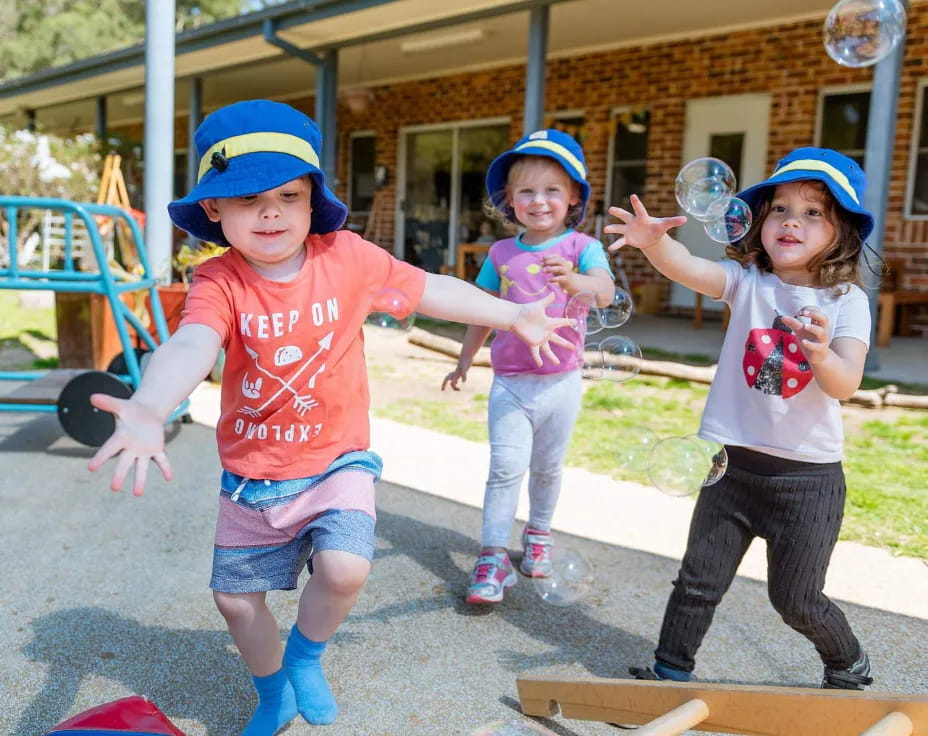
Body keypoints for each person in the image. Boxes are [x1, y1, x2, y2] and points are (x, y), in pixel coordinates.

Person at [87, 99, 574, 736]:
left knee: (346, 568)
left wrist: (511, 315)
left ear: (311, 198)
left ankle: (307, 655)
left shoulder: (345, 256)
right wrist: (151, 404)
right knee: (235, 601)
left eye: (288, 195)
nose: (270, 213)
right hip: (254, 476)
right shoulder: (218, 282)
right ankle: (272, 695)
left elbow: (428, 287)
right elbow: (191, 345)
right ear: (212, 208)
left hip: (336, 461)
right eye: (246, 198)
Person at [605, 147, 875, 690]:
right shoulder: (746, 280)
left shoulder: (847, 300)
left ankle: (846, 660)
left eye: (813, 212)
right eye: (779, 208)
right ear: (760, 221)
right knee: (698, 580)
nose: (791, 220)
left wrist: (822, 355)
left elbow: (846, 382)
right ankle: (669, 671)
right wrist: (654, 241)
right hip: (731, 466)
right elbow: (689, 267)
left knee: (795, 599)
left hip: (807, 480)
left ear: (841, 230)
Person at [442, 129, 615, 605]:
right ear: (509, 201)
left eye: (552, 190)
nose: (539, 201)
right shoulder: (501, 254)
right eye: (526, 191)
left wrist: (577, 278)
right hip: (511, 383)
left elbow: (605, 293)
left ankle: (538, 535)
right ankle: (493, 554)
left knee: (547, 468)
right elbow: (483, 309)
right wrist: (464, 360)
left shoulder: (582, 247)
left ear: (574, 196)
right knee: (505, 468)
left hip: (561, 382)